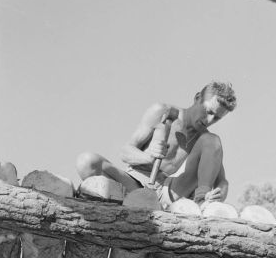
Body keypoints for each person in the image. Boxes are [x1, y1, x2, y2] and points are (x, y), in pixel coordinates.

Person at [76, 80, 237, 208]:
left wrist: (219, 194)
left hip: (168, 193)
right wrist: (148, 158)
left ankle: (202, 203)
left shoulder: (207, 141)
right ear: (197, 98)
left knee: (213, 140)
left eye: (216, 118)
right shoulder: (162, 112)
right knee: (86, 161)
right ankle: (121, 198)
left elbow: (222, 181)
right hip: (133, 184)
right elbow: (125, 151)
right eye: (208, 111)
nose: (209, 120)